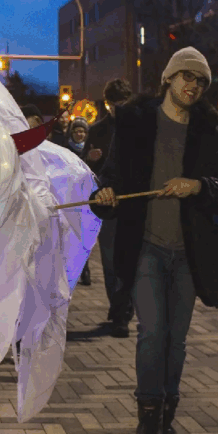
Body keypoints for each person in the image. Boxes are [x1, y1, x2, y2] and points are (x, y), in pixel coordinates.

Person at [89, 47, 218, 434]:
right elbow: (110, 178)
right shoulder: (135, 123)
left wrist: (198, 186)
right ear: (169, 78)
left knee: (176, 341)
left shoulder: (210, 134)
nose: (192, 86)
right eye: (186, 76)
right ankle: (147, 426)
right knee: (152, 333)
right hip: (147, 248)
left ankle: (165, 423)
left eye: (201, 81)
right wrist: (104, 194)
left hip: (188, 254)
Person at [82, 80, 135, 335]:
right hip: (107, 203)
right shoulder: (97, 130)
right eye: (115, 104)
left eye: (123, 103)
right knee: (111, 260)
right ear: (107, 104)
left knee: (132, 259)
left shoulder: (140, 128)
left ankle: (125, 308)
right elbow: (84, 169)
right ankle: (118, 311)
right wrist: (90, 159)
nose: (119, 109)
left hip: (134, 202)